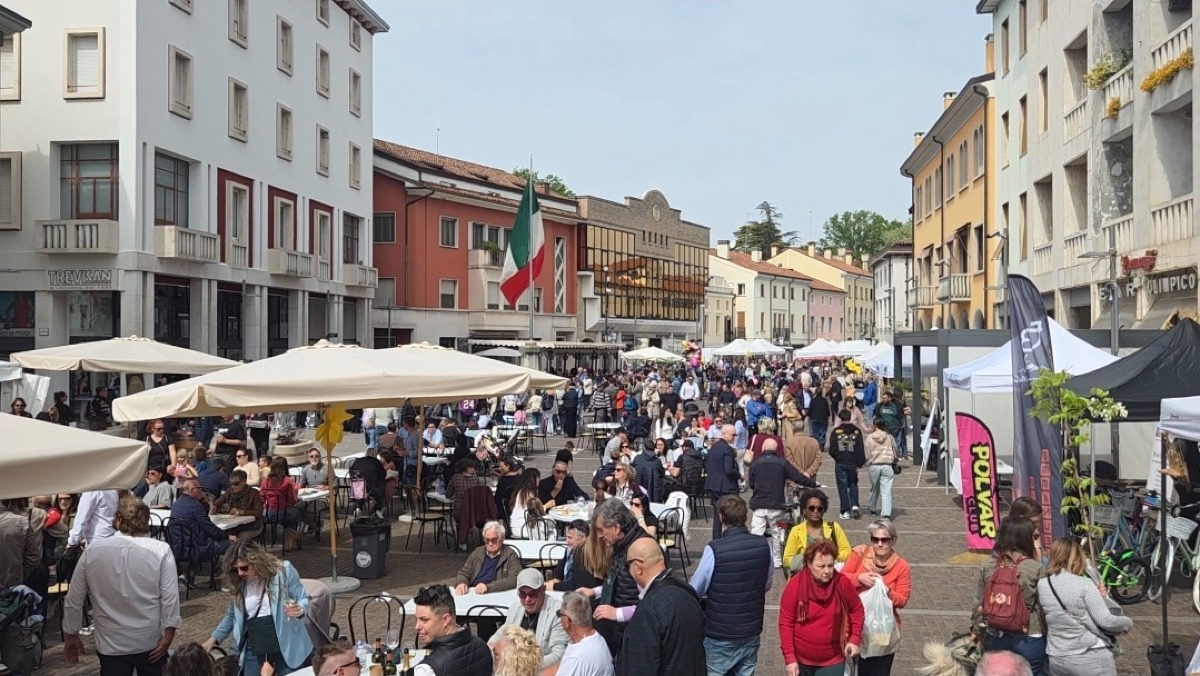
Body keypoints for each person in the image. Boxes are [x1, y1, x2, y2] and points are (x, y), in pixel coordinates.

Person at [64, 497, 180, 676]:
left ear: (118, 520)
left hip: (111, 642)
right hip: (148, 639)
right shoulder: (160, 549)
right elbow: (170, 596)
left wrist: (71, 633)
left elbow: (74, 597)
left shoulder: (94, 550)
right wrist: (169, 632)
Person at [689, 495, 772, 676]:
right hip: (751, 628)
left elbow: (695, 588)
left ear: (721, 517)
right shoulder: (764, 545)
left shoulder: (715, 549)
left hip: (721, 632)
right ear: (745, 517)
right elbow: (767, 583)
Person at [202, 540, 313, 675]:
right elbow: (232, 615)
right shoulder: (239, 584)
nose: (240, 573)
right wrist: (213, 640)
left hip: (286, 641)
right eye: (235, 569)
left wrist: (300, 609)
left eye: (244, 567)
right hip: (254, 643)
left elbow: (302, 598)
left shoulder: (283, 571)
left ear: (256, 561)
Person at [1036, 537, 1131, 676]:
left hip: (1057, 656)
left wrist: (1099, 595)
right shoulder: (1084, 584)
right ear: (1074, 559)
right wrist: (1128, 623)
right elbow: (1106, 621)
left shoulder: (1043, 584)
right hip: (1088, 655)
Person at [615, 537, 706, 676]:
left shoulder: (648, 610)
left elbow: (640, 668)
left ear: (638, 567)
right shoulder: (687, 591)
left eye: (628, 566)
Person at [971, 517, 1046, 675]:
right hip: (1029, 634)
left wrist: (976, 631)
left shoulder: (988, 565)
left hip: (995, 633)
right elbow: (1046, 605)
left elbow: (978, 602)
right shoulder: (1035, 568)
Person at [779, 539, 864, 676]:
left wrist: (855, 640)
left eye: (831, 566)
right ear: (808, 564)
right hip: (801, 660)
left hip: (833, 659)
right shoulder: (795, 585)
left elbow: (857, 610)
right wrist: (789, 658)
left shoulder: (842, 583)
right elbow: (786, 622)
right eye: (821, 566)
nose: (827, 571)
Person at [840, 519, 913, 676]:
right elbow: (841, 580)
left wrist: (887, 591)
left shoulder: (901, 566)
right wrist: (859, 578)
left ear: (893, 540)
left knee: (880, 671)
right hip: (857, 627)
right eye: (875, 539)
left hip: (883, 630)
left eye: (884, 540)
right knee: (861, 669)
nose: (879, 544)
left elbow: (902, 600)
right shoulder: (859, 554)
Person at [577, 498, 646, 654]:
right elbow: (621, 582)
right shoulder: (620, 546)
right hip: (622, 634)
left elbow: (650, 604)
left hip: (635, 637)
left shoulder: (638, 551)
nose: (600, 536)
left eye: (601, 530)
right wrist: (594, 592)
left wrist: (617, 613)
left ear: (616, 527)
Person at [749, 437, 815, 567]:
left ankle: (755, 560)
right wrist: (812, 483)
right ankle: (778, 561)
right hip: (776, 504)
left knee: (756, 533)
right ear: (776, 449)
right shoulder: (782, 463)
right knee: (777, 534)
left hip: (759, 504)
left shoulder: (755, 463)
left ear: (763, 448)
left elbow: (751, 484)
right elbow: (797, 477)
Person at [486, 569, 569, 668]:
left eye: (532, 594)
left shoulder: (557, 613)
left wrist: (523, 666)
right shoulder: (515, 609)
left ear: (543, 589)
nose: (527, 599)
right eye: (522, 594)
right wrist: (490, 650)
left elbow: (558, 655)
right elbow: (499, 635)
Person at [410, 584, 492, 676]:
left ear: (445, 620)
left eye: (424, 620)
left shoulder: (427, 670)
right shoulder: (482, 645)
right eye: (417, 619)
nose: (417, 626)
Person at [0, 496, 41, 676]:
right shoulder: (21, 521)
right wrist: (17, 573)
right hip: (12, 585)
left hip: (12, 581)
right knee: (12, 631)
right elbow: (34, 557)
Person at [783, 489, 851, 573]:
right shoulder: (796, 531)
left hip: (828, 576)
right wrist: (808, 561)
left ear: (824, 510)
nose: (815, 511)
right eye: (811, 508)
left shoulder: (833, 527)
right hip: (803, 578)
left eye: (819, 508)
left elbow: (846, 550)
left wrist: (831, 559)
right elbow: (787, 559)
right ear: (804, 510)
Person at [172, 480, 237, 561]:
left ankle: (192, 568)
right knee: (232, 544)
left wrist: (206, 503)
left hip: (177, 546)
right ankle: (232, 570)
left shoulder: (176, 504)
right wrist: (227, 536)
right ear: (193, 490)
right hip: (196, 547)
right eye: (199, 488)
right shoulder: (195, 506)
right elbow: (210, 529)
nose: (201, 491)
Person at [555, 591, 615, 676]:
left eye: (559, 614)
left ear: (567, 621)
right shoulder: (596, 638)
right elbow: (559, 667)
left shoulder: (577, 657)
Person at [451, 521, 521, 595]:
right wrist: (461, 582)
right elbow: (464, 573)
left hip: (494, 593)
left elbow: (514, 579)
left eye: (494, 540)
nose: (490, 543)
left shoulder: (509, 554)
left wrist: (489, 587)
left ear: (502, 539)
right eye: (487, 540)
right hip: (473, 592)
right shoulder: (478, 552)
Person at [259, 457, 305, 551]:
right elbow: (292, 501)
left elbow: (261, 497)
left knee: (287, 516)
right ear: (285, 467)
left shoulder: (266, 480)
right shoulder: (287, 481)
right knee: (298, 512)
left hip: (266, 514)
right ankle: (292, 537)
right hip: (281, 512)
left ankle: (290, 536)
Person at [704, 424, 741, 541]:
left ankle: (716, 541)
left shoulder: (714, 447)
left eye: (735, 435)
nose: (734, 437)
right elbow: (729, 470)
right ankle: (732, 540)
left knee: (717, 517)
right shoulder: (727, 449)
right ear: (724, 434)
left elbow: (708, 465)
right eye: (733, 435)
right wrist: (739, 475)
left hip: (713, 485)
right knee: (733, 515)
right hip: (726, 487)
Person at [828, 409, 866, 520]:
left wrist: (837, 457)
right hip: (853, 462)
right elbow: (860, 448)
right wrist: (860, 462)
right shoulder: (857, 431)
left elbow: (832, 449)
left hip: (841, 462)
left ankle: (845, 510)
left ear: (840, 418)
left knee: (842, 487)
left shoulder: (836, 432)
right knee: (853, 483)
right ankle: (854, 505)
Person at [212, 469, 264, 541]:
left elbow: (258, 512)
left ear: (244, 481)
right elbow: (220, 500)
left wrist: (240, 512)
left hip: (252, 523)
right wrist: (214, 506)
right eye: (231, 483)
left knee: (233, 534)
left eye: (236, 483)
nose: (233, 486)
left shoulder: (253, 493)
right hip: (234, 523)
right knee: (224, 532)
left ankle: (238, 550)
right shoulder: (230, 491)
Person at [864, 418, 898, 520]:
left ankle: (872, 508)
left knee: (874, 488)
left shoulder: (869, 438)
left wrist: (868, 461)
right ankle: (886, 513)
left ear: (874, 425)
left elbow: (866, 453)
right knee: (886, 490)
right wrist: (895, 460)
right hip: (887, 465)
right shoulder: (889, 437)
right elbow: (895, 450)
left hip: (874, 465)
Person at [547, 520, 589, 591]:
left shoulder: (586, 557)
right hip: (564, 589)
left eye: (570, 538)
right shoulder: (569, 551)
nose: (567, 541)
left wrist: (554, 586)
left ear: (583, 538)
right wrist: (547, 585)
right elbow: (558, 577)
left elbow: (575, 584)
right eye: (566, 537)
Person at [510, 468, 541, 537]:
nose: (539, 480)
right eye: (538, 478)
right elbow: (536, 513)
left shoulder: (520, 491)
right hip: (524, 528)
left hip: (515, 525)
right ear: (534, 479)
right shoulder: (529, 493)